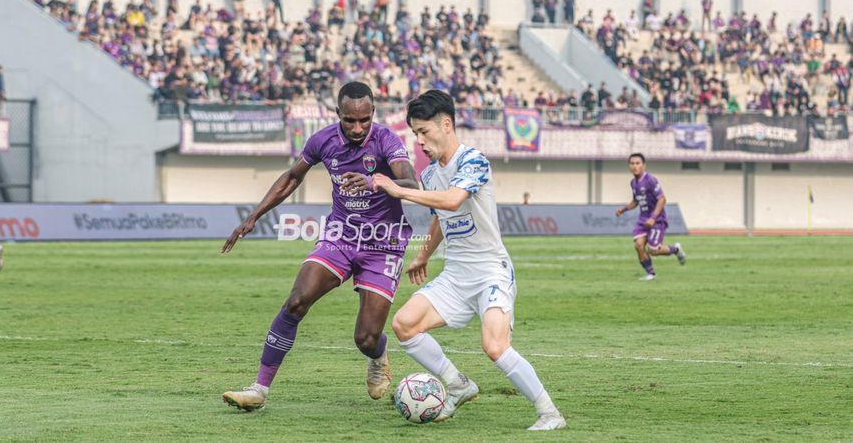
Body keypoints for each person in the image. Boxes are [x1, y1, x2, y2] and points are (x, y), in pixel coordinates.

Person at [371, 90, 567, 431]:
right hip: (456, 275)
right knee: (404, 324)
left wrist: (399, 190)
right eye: (415, 134)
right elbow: (439, 218)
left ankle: (550, 412)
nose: (419, 141)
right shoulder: (431, 174)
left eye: (424, 132)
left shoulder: (473, 160)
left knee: (494, 346)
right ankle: (459, 384)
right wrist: (422, 256)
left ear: (446, 124)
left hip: (491, 271)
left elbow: (452, 200)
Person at [220, 82, 419, 411]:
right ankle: (259, 389)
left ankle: (379, 354)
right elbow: (291, 177)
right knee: (297, 301)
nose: (357, 128)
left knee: (366, 338)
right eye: (350, 120)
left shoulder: (386, 139)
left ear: (373, 115)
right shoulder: (322, 140)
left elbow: (412, 183)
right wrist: (254, 215)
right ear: (338, 114)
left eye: (365, 120)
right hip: (340, 236)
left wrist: (375, 181)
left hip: (384, 244)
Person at [615, 153, 686, 281]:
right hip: (643, 219)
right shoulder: (633, 183)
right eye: (632, 164)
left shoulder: (651, 180)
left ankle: (675, 249)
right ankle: (651, 274)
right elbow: (636, 201)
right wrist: (624, 209)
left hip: (657, 220)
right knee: (638, 245)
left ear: (644, 165)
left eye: (638, 163)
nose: (635, 166)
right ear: (629, 166)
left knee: (653, 250)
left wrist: (653, 217)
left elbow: (662, 199)